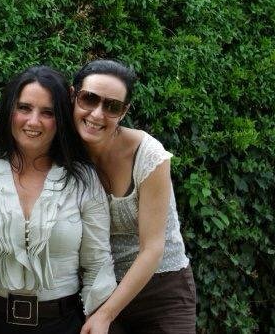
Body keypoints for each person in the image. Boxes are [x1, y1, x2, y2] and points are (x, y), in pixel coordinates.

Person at [0, 66, 116, 334]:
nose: (33, 121)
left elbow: (97, 264)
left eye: (47, 112)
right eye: (24, 108)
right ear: (9, 111)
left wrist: (98, 318)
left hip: (61, 324)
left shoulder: (83, 181)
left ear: (61, 119)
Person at [72, 59, 196, 334]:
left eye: (112, 106)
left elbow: (152, 248)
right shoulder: (65, 151)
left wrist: (106, 315)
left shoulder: (149, 156)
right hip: (97, 288)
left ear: (124, 111)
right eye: (89, 98)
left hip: (162, 290)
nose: (97, 114)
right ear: (73, 96)